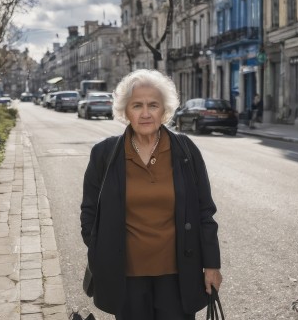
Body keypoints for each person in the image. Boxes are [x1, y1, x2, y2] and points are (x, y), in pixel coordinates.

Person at [80, 69, 222, 320]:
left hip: (179, 275)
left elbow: (204, 212)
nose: (145, 113)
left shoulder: (185, 151)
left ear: (164, 110)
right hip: (125, 276)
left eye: (153, 105)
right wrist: (100, 250)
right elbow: (89, 211)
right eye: (137, 105)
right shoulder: (104, 153)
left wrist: (211, 265)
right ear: (125, 111)